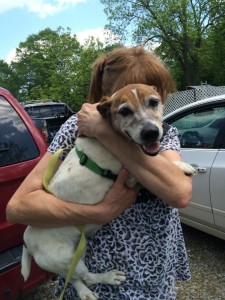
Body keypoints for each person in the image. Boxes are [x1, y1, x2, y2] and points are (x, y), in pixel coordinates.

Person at [6, 46, 192, 300]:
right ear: (105, 101)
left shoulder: (165, 133)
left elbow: (179, 194)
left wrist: (104, 132)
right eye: (127, 106)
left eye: (153, 98)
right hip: (93, 268)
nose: (146, 119)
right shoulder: (78, 126)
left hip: (151, 273)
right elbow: (17, 208)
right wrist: (100, 212)